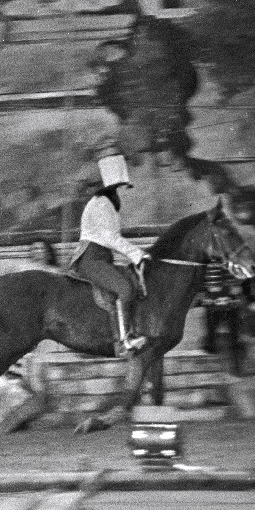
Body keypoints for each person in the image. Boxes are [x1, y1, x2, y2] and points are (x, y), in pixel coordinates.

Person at [70, 145, 150, 357]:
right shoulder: (100, 204)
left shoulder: (108, 202)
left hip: (103, 257)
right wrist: (136, 254)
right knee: (125, 289)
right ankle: (123, 342)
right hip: (91, 259)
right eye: (117, 185)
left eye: (120, 185)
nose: (119, 189)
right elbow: (109, 237)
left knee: (131, 284)